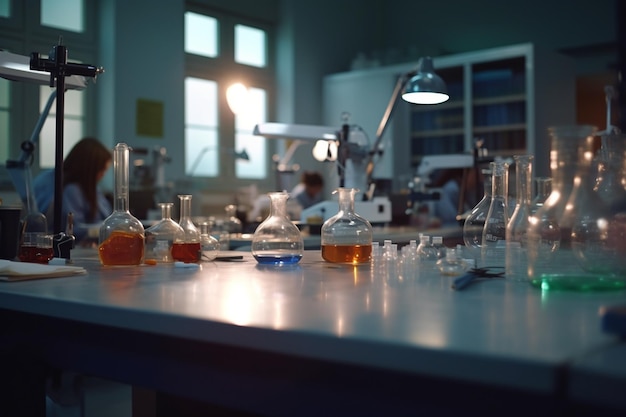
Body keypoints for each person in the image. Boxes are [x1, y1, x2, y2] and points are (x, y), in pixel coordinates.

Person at [34, 137, 113, 243]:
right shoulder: (72, 190)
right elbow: (73, 230)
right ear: (89, 168)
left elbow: (107, 218)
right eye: (101, 170)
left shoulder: (92, 188)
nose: (102, 175)